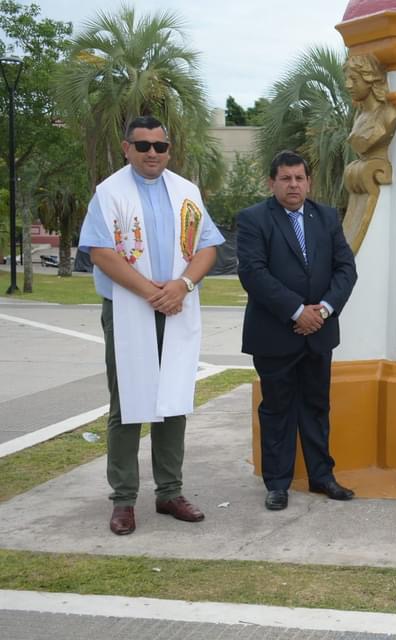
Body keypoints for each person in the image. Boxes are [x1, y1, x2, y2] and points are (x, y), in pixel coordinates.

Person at [78, 115, 224, 535]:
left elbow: (209, 245)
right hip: (129, 309)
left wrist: (182, 284)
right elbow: (102, 252)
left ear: (169, 149)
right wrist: (150, 292)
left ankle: (169, 492)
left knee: (173, 400)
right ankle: (123, 499)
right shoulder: (109, 193)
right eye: (143, 146)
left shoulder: (186, 192)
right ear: (127, 148)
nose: (152, 154)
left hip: (176, 307)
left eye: (160, 146)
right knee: (128, 405)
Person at [237, 150, 358, 511]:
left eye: (299, 178)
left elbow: (345, 270)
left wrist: (322, 310)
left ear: (309, 182)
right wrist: (295, 311)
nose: (293, 184)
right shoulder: (253, 219)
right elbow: (253, 274)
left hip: (319, 331)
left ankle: (322, 476)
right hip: (274, 335)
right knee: (277, 409)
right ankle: (277, 484)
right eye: (286, 178)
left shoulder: (326, 217)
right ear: (272, 182)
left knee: (317, 406)